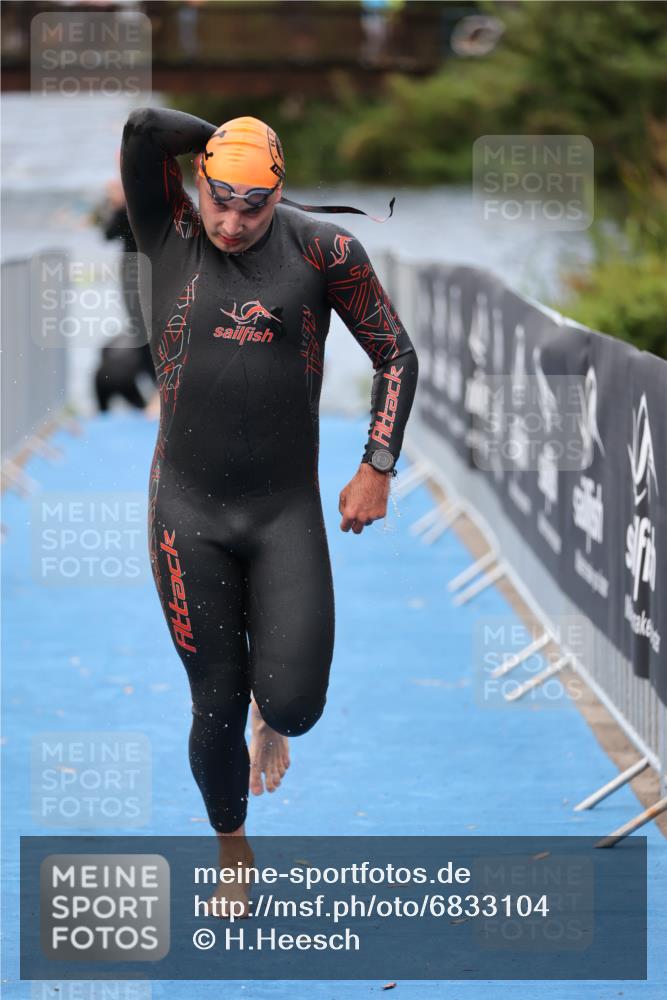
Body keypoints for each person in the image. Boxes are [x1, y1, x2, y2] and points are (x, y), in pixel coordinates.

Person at [120, 108, 419, 915]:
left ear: (278, 194)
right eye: (220, 199)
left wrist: (377, 465)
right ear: (201, 183)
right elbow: (144, 129)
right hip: (186, 512)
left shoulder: (323, 250)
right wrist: (227, 137)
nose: (231, 222)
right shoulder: (170, 232)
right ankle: (232, 847)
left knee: (292, 704)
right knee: (214, 701)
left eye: (252, 206)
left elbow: (394, 352)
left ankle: (272, 716)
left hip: (284, 512)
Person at [92, 179, 157, 413]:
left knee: (152, 333)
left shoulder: (148, 199)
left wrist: (124, 204)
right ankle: (155, 392)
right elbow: (108, 233)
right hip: (132, 274)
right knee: (141, 332)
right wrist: (118, 206)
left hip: (153, 272)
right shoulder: (125, 207)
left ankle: (160, 393)